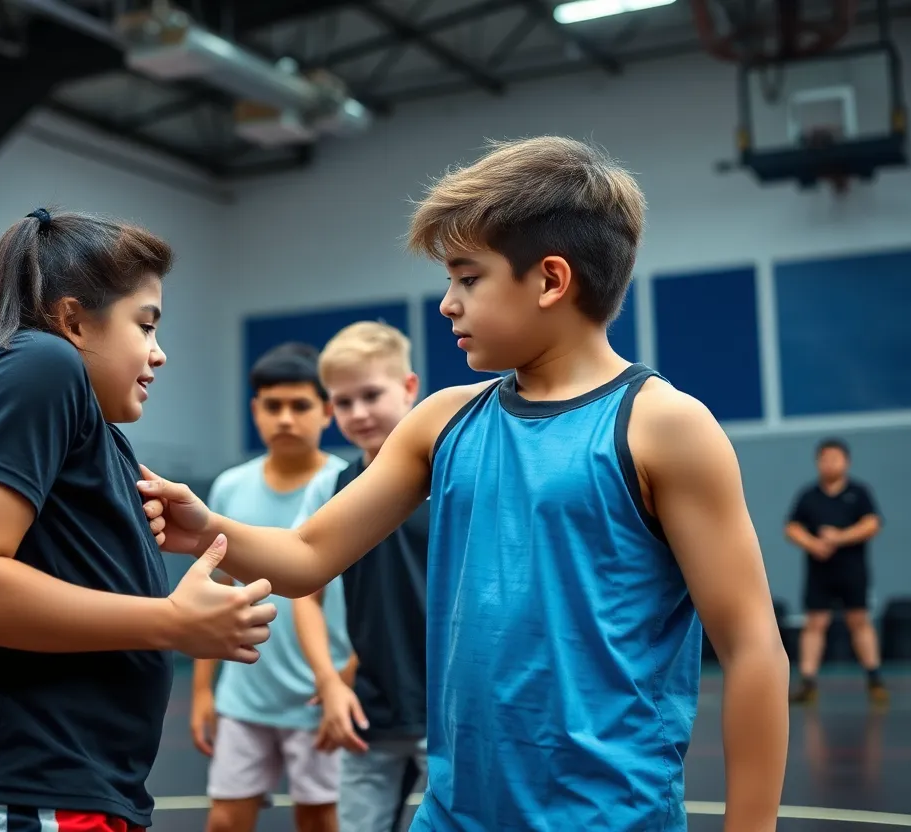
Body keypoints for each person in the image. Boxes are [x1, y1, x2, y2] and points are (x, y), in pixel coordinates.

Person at [142, 137, 790, 832]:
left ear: (549, 280)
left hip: (610, 817)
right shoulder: (441, 420)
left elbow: (752, 645)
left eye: (467, 278)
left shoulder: (662, 426)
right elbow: (305, 557)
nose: (448, 304)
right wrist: (203, 527)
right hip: (454, 815)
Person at [0, 208, 278, 832]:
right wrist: (172, 622)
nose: (160, 352)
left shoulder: (96, 427)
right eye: (145, 326)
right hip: (16, 780)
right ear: (72, 320)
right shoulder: (38, 363)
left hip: (64, 781)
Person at [193, 341, 350, 832]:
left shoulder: (350, 487)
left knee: (320, 820)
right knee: (225, 820)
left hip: (320, 695)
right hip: (245, 695)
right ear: (255, 411)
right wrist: (203, 691)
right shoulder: (228, 489)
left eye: (300, 405)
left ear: (326, 410)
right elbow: (211, 588)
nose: (285, 418)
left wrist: (345, 680)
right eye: (273, 406)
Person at [291, 321, 429, 832]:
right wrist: (329, 680)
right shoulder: (331, 487)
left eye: (372, 394)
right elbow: (304, 589)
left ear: (410, 388)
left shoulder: (453, 475)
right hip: (372, 706)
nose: (359, 413)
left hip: (452, 704)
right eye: (343, 402)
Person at [785, 437, 888, 705]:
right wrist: (813, 543)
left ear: (846, 462)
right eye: (824, 458)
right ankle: (807, 683)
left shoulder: (859, 492)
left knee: (859, 621)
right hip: (819, 573)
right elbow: (792, 527)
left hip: (852, 571)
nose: (829, 463)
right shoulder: (809, 495)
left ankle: (874, 679)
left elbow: (873, 523)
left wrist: (839, 538)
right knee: (815, 624)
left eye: (835, 458)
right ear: (818, 462)